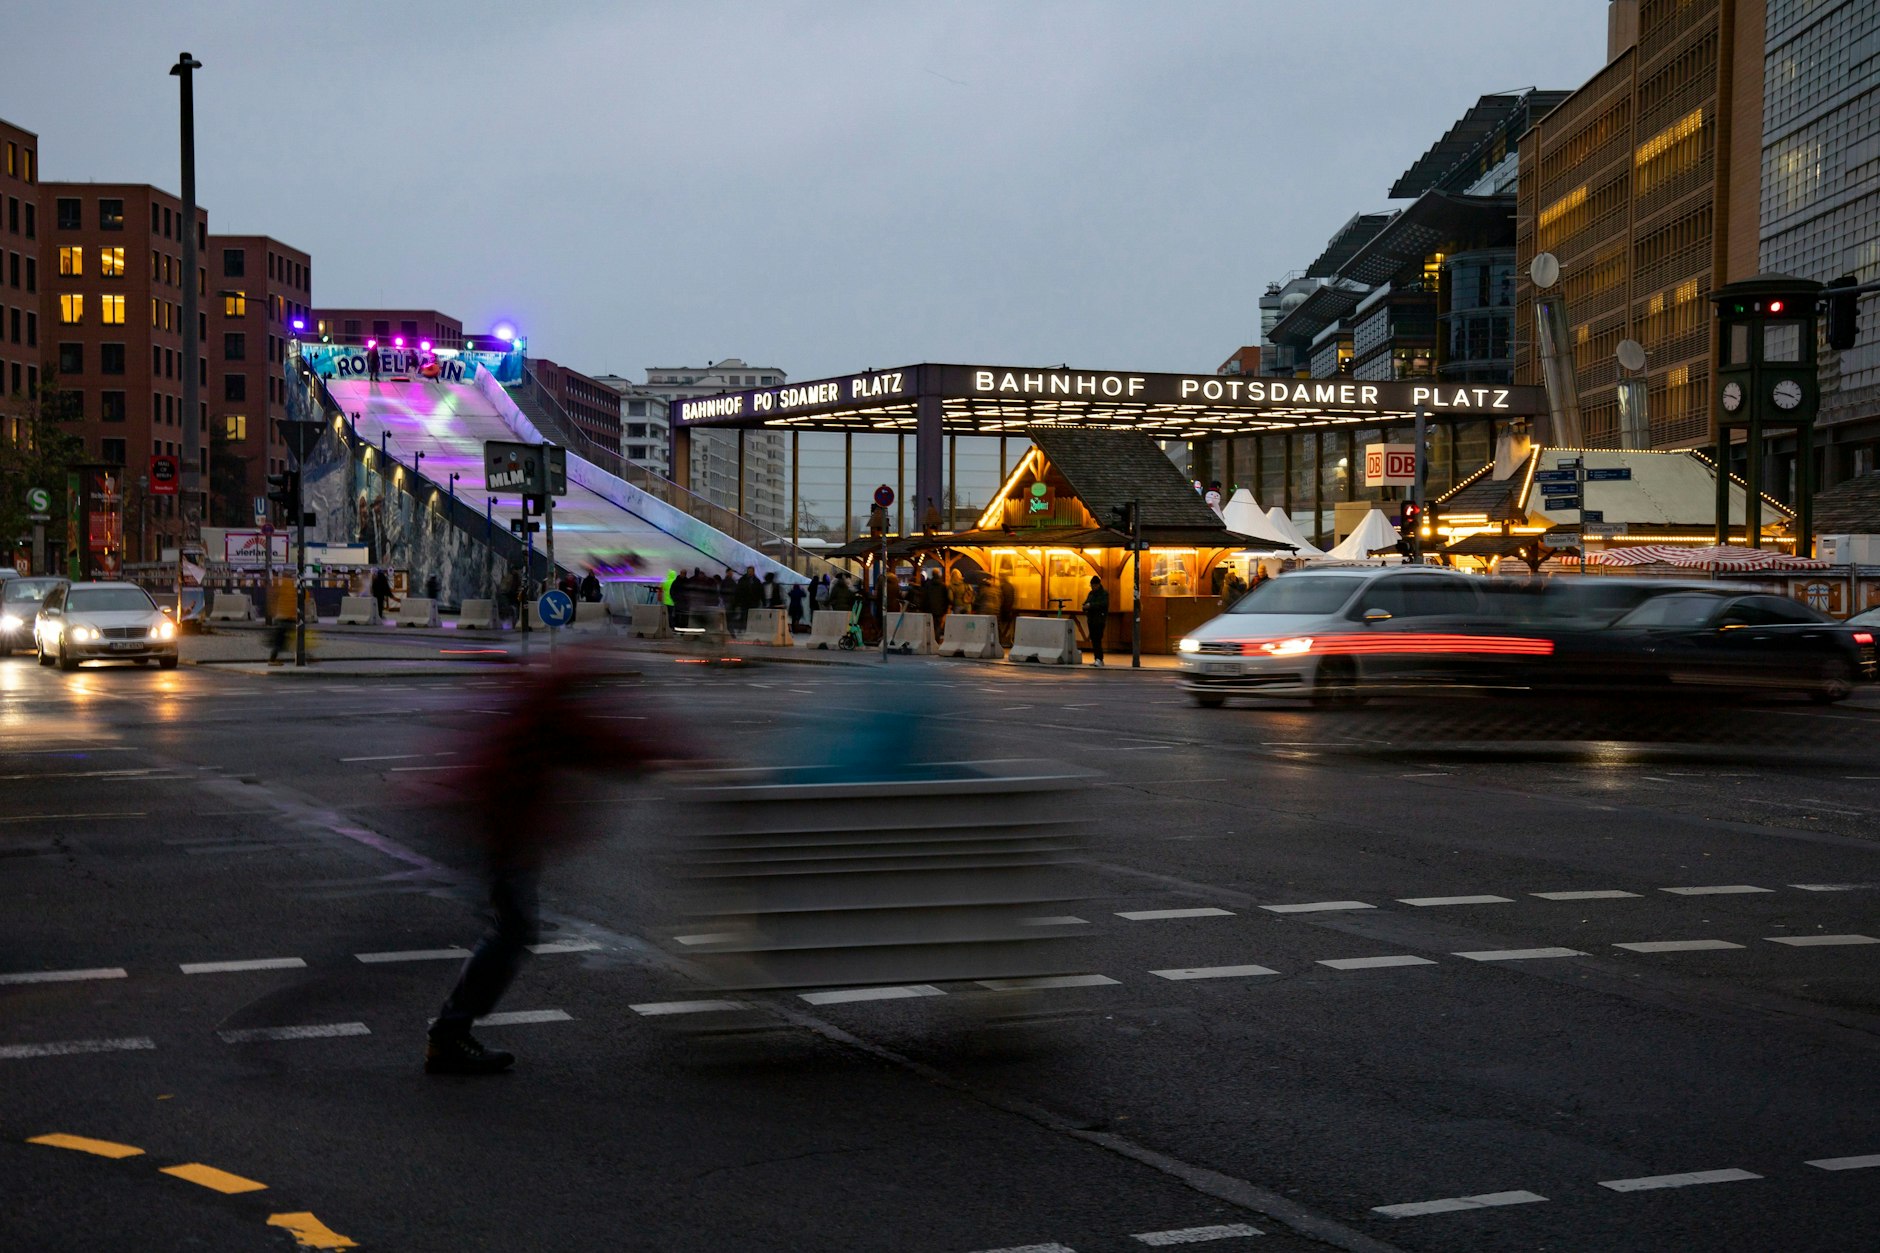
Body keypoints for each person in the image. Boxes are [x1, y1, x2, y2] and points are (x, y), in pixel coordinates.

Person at [424, 647, 686, 1075]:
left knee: (511, 928)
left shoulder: (544, 703)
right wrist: (672, 759)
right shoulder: (554, 711)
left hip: (497, 827)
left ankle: (451, 1030)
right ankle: (449, 1034)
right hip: (503, 831)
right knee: (513, 929)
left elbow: (601, 746)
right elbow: (605, 745)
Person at [266, 573, 296, 664]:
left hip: (281, 616)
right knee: (296, 638)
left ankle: (273, 659)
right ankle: (272, 659)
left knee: (280, 640)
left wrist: (273, 611)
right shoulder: (291, 586)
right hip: (288, 617)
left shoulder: (281, 585)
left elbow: (272, 597)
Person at [1082, 575, 1110, 666]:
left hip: (1099, 620)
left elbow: (1103, 604)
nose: (1092, 587)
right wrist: (1085, 606)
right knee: (1094, 639)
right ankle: (1097, 658)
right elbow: (1086, 602)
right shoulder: (1091, 593)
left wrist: (1091, 606)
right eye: (1091, 585)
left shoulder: (1104, 594)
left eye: (1093, 585)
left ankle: (1099, 659)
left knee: (1097, 639)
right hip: (1091, 619)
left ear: (1098, 585)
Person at [997, 573, 1017, 646]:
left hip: (1003, 609)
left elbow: (1001, 598)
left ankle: (1002, 641)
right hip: (1009, 609)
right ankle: (1007, 640)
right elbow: (1013, 597)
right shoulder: (1011, 586)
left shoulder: (1002, 587)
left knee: (1002, 626)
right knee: (1008, 627)